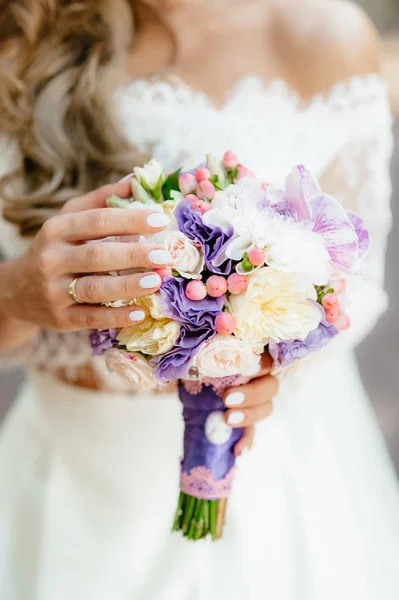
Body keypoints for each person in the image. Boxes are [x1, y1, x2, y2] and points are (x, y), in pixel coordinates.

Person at [0, 0, 398, 598]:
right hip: (64, 478)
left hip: (259, 486)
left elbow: (349, 291)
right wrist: (14, 295)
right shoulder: (20, 31)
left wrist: (273, 365)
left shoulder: (323, 38)